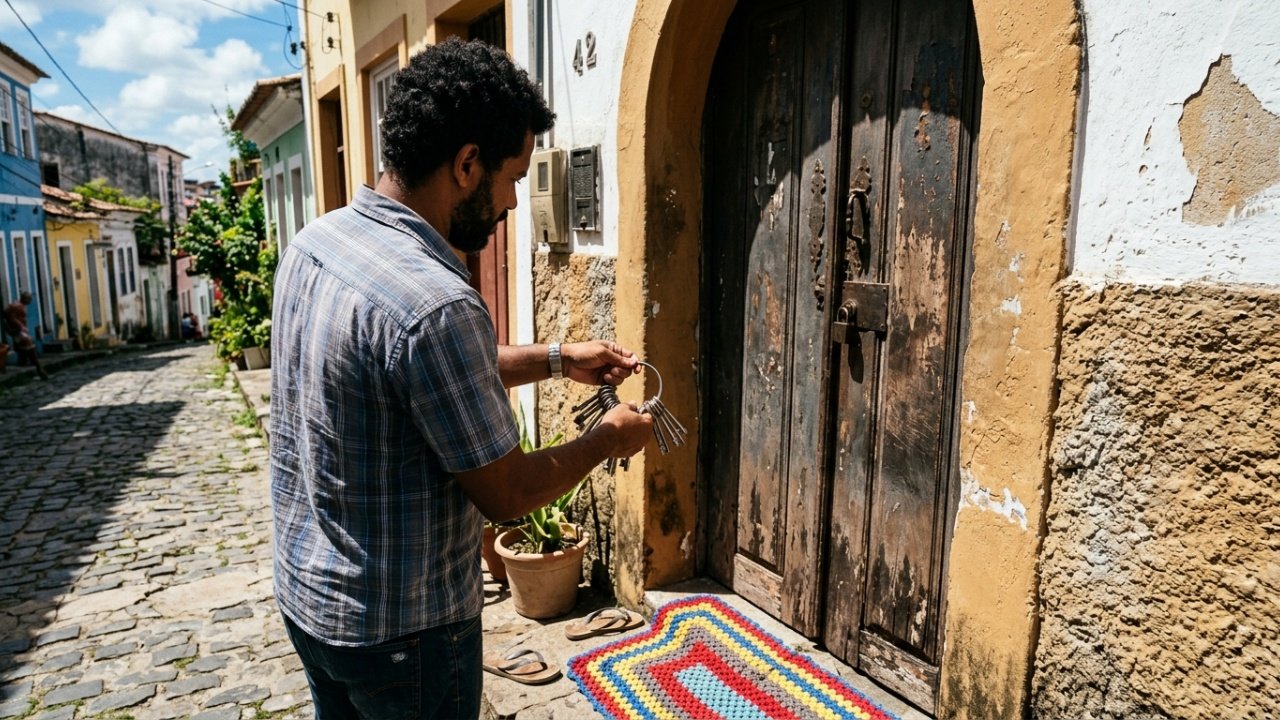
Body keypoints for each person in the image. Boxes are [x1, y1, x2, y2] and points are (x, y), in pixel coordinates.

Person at [269, 38, 653, 720]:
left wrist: (559, 358)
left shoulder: (317, 243)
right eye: (511, 177)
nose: (512, 201)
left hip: (312, 603)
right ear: (468, 164)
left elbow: (409, 376)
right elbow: (507, 493)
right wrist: (607, 440)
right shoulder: (435, 301)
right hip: (404, 638)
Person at [3, 292, 48, 380]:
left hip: (20, 331)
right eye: (29, 299)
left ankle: (27, 364)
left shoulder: (20, 305)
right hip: (19, 331)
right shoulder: (16, 305)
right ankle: (40, 369)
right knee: (31, 348)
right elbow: (10, 317)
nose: (30, 301)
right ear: (24, 298)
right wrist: (21, 326)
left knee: (27, 348)